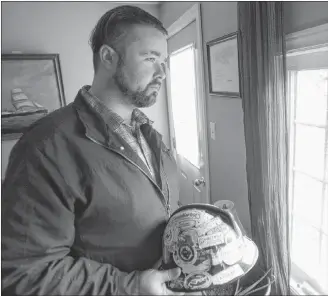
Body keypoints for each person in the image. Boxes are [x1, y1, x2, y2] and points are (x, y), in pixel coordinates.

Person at [1, 5, 184, 295]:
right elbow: (24, 274)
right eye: (151, 58)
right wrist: (131, 286)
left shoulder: (149, 134)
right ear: (109, 57)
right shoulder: (44, 146)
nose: (163, 72)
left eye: (164, 60)